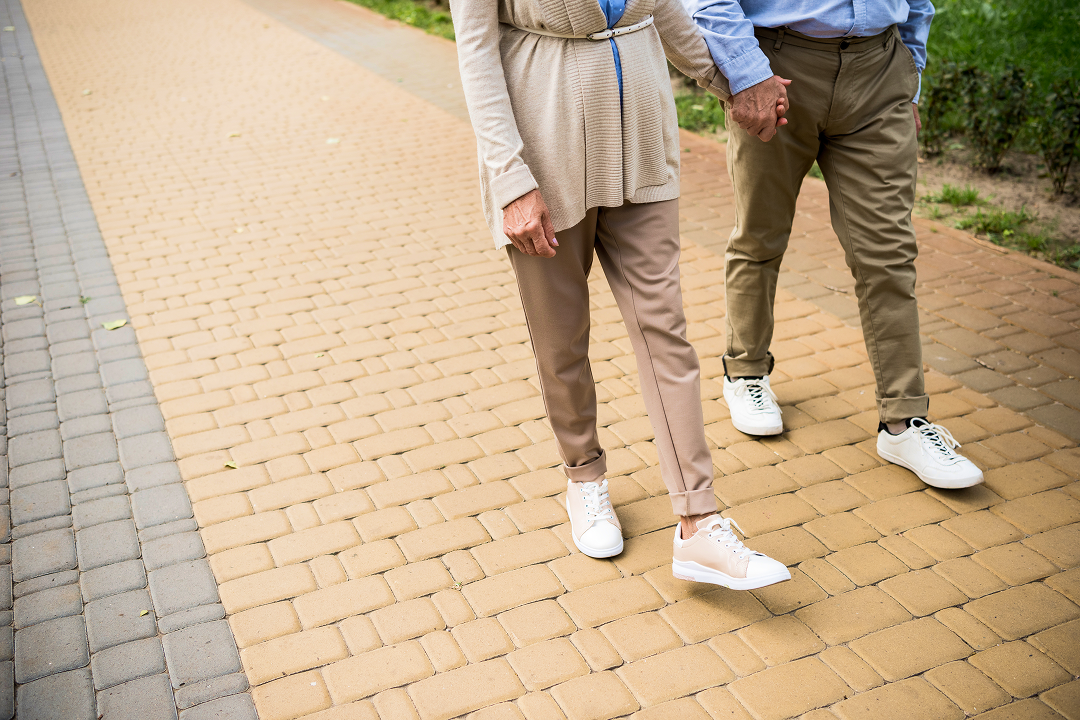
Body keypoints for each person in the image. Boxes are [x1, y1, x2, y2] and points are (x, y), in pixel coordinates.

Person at [451, 0, 791, 589]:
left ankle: (698, 521)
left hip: (641, 141)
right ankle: (584, 477)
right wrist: (509, 178)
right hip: (544, 150)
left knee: (665, 327)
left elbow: (666, 10)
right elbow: (477, 52)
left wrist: (734, 83)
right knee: (562, 335)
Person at [683, 0, 984, 489]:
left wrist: (910, 69)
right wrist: (745, 74)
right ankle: (745, 372)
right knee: (761, 234)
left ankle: (903, 420)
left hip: (879, 71)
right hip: (777, 67)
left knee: (888, 254)